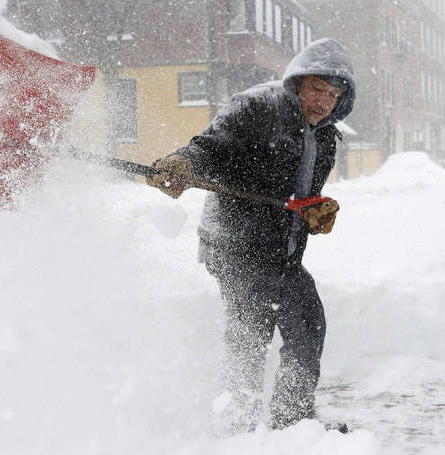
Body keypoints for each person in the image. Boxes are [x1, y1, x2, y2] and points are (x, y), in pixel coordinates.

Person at [147, 38, 355, 433]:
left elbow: (300, 193)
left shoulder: (326, 134)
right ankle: (237, 425)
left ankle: (292, 423)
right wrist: (182, 163)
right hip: (235, 245)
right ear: (298, 81)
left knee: (308, 323)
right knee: (250, 331)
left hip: (283, 252)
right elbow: (210, 147)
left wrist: (313, 209)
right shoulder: (256, 107)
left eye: (333, 95)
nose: (324, 102)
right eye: (317, 89)